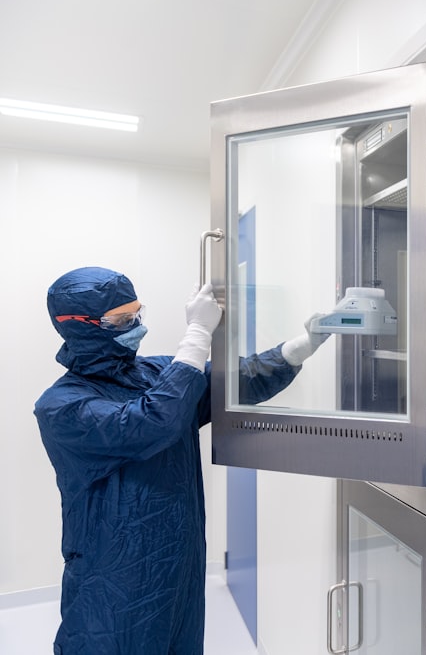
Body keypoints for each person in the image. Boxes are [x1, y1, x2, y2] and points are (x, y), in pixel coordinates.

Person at [33, 267, 330, 654]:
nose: (136, 326)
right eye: (122, 320)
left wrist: (304, 344)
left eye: (138, 313)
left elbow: (237, 382)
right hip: (115, 574)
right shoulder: (62, 407)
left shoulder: (156, 372)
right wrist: (196, 336)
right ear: (80, 326)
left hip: (179, 561)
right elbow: (152, 422)